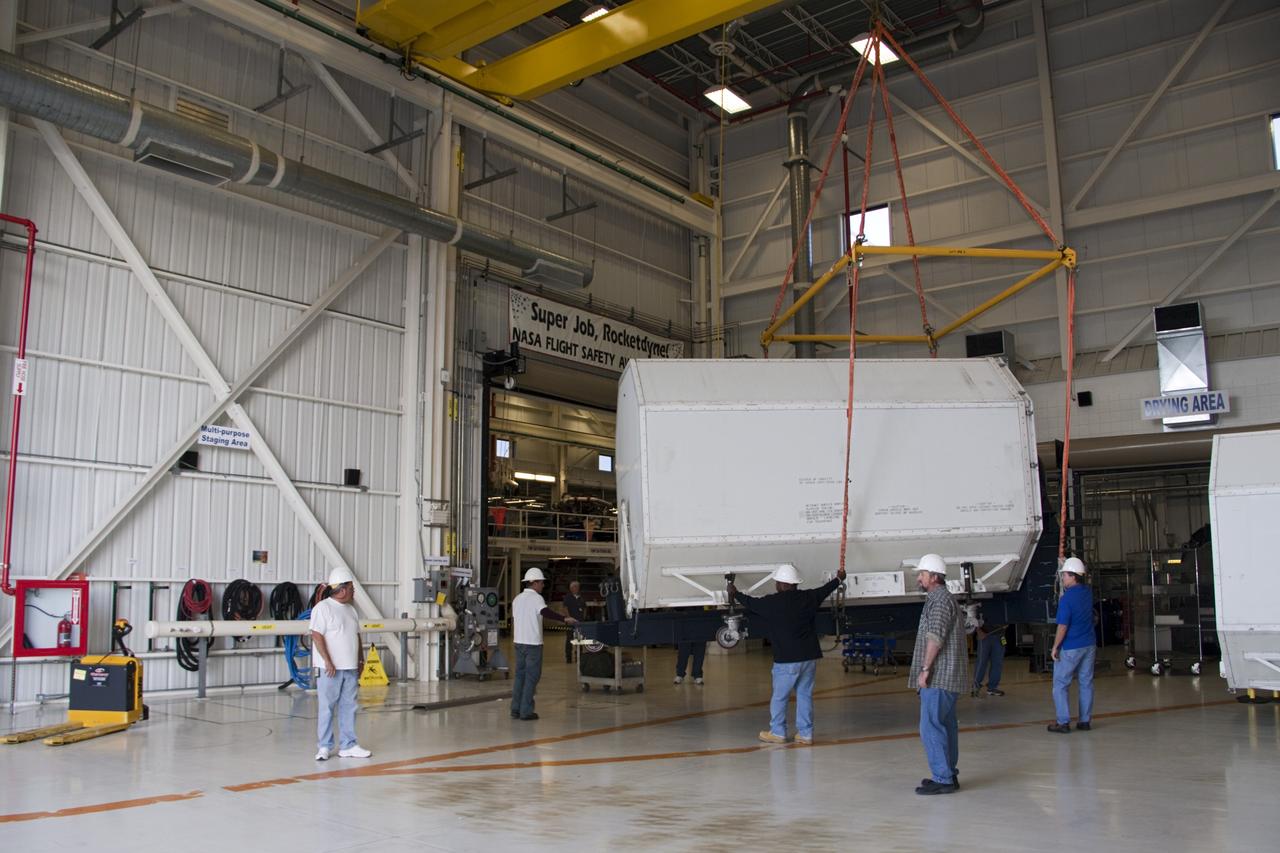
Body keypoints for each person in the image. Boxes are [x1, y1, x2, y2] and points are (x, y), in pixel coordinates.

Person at [728, 563, 845, 745]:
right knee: (805, 694)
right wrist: (838, 579)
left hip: (786, 660)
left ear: (782, 584)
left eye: (777, 582)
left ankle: (778, 732)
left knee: (780, 696)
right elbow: (824, 590)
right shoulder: (808, 597)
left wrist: (735, 593)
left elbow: (751, 603)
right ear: (795, 583)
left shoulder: (772, 603)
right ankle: (806, 734)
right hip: (808, 657)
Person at [910, 554, 967, 795]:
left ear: (934, 577)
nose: (919, 578)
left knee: (930, 726)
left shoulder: (941, 601)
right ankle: (948, 774)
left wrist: (925, 670)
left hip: (940, 676)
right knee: (944, 725)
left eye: (922, 574)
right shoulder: (939, 599)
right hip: (946, 676)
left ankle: (943, 778)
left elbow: (935, 638)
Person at [310, 567, 371, 760]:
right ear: (342, 589)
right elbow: (316, 635)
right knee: (326, 707)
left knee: (349, 706)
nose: (354, 591)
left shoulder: (351, 610)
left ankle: (348, 745)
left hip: (350, 668)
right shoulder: (322, 608)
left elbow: (356, 636)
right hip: (330, 669)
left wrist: (360, 659)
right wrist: (327, 660)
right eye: (352, 588)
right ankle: (324, 747)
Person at [512, 567, 579, 721]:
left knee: (520, 676)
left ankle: (515, 709)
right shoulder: (536, 598)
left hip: (518, 643)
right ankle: (526, 711)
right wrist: (564, 619)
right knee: (531, 678)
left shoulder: (517, 599)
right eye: (542, 583)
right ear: (534, 583)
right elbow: (545, 613)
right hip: (532, 644)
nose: (543, 585)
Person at [1048, 557, 1095, 733]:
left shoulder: (1066, 600)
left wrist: (1055, 646)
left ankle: (1063, 722)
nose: (1063, 579)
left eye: (1065, 576)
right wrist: (1065, 562)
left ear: (1073, 576)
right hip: (1089, 644)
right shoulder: (1087, 592)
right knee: (1086, 682)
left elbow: (1062, 626)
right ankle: (1084, 721)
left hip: (1071, 646)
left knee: (1060, 684)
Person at [971, 605, 1006, 697]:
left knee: (997, 662)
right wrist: (978, 631)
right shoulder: (983, 599)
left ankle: (992, 687)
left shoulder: (1003, 600)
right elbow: (973, 617)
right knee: (981, 662)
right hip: (984, 636)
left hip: (1000, 635)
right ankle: (975, 686)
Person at [562, 580, 587, 664]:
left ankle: (579, 657)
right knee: (569, 640)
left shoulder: (581, 597)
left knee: (579, 640)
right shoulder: (567, 597)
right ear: (571, 588)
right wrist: (568, 618)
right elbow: (565, 608)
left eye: (578, 587)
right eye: (575, 587)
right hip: (570, 622)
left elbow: (584, 608)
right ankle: (568, 658)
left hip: (579, 623)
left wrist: (583, 618)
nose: (577, 588)